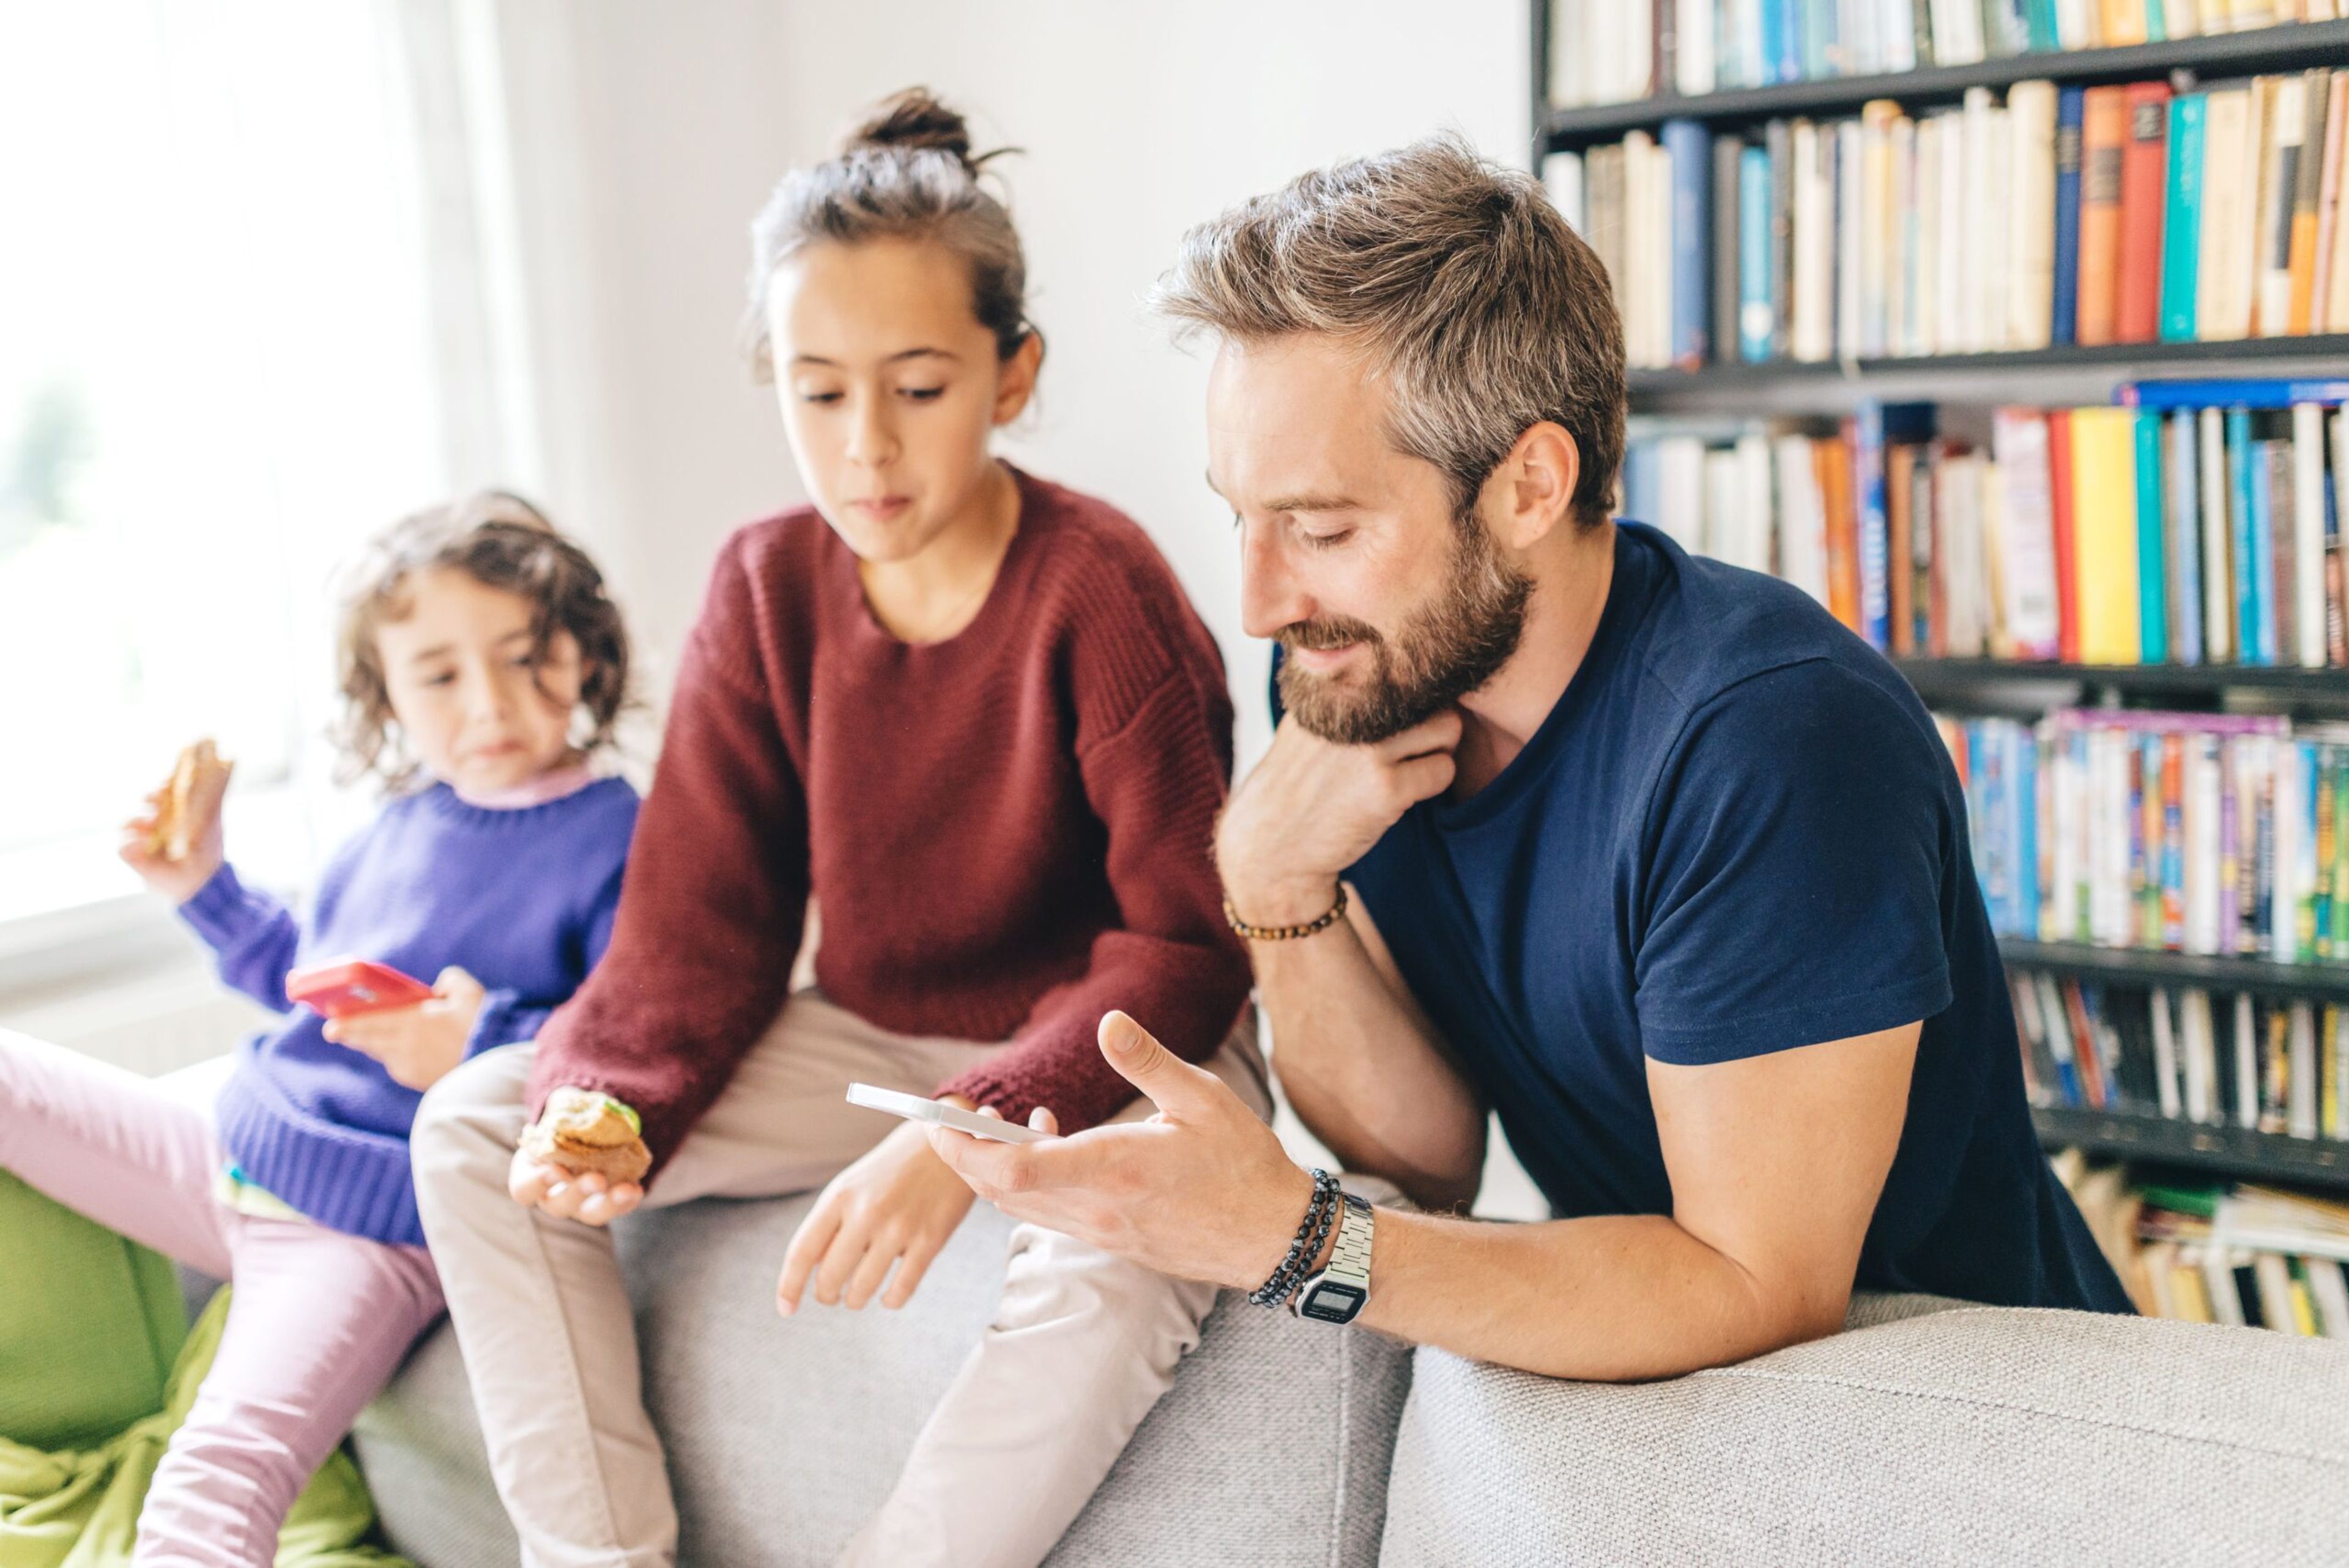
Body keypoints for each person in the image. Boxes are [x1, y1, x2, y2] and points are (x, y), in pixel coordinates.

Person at [928, 134, 2133, 1388]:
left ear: (1529, 485)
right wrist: (1276, 891)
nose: (1259, 601)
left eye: (1324, 527)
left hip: (1972, 1401)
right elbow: (1436, 1153)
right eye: (1244, 516)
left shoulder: (1770, 738)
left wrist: (1294, 1236)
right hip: (1673, 1387)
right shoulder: (1362, 671)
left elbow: (1759, 1285)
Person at [409, 89, 1263, 1568]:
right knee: (484, 1122)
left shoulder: (1100, 589)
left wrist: (974, 1130)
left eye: (919, 388)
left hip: (1123, 1045)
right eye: (817, 391)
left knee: (1125, 1254)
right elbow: (699, 924)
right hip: (875, 1038)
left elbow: (1185, 943)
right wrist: (608, 1101)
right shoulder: (764, 585)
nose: (865, 445)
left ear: (1014, 376)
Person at [0, 492, 639, 1566]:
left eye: (527, 655)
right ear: (384, 693)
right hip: (237, 1149)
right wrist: (203, 887)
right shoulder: (399, 824)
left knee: (214, 1481)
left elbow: (627, 1048)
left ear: (584, 656)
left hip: (370, 1225)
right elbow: (313, 989)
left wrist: (478, 1048)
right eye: (439, 675)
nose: (489, 702)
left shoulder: (620, 836)